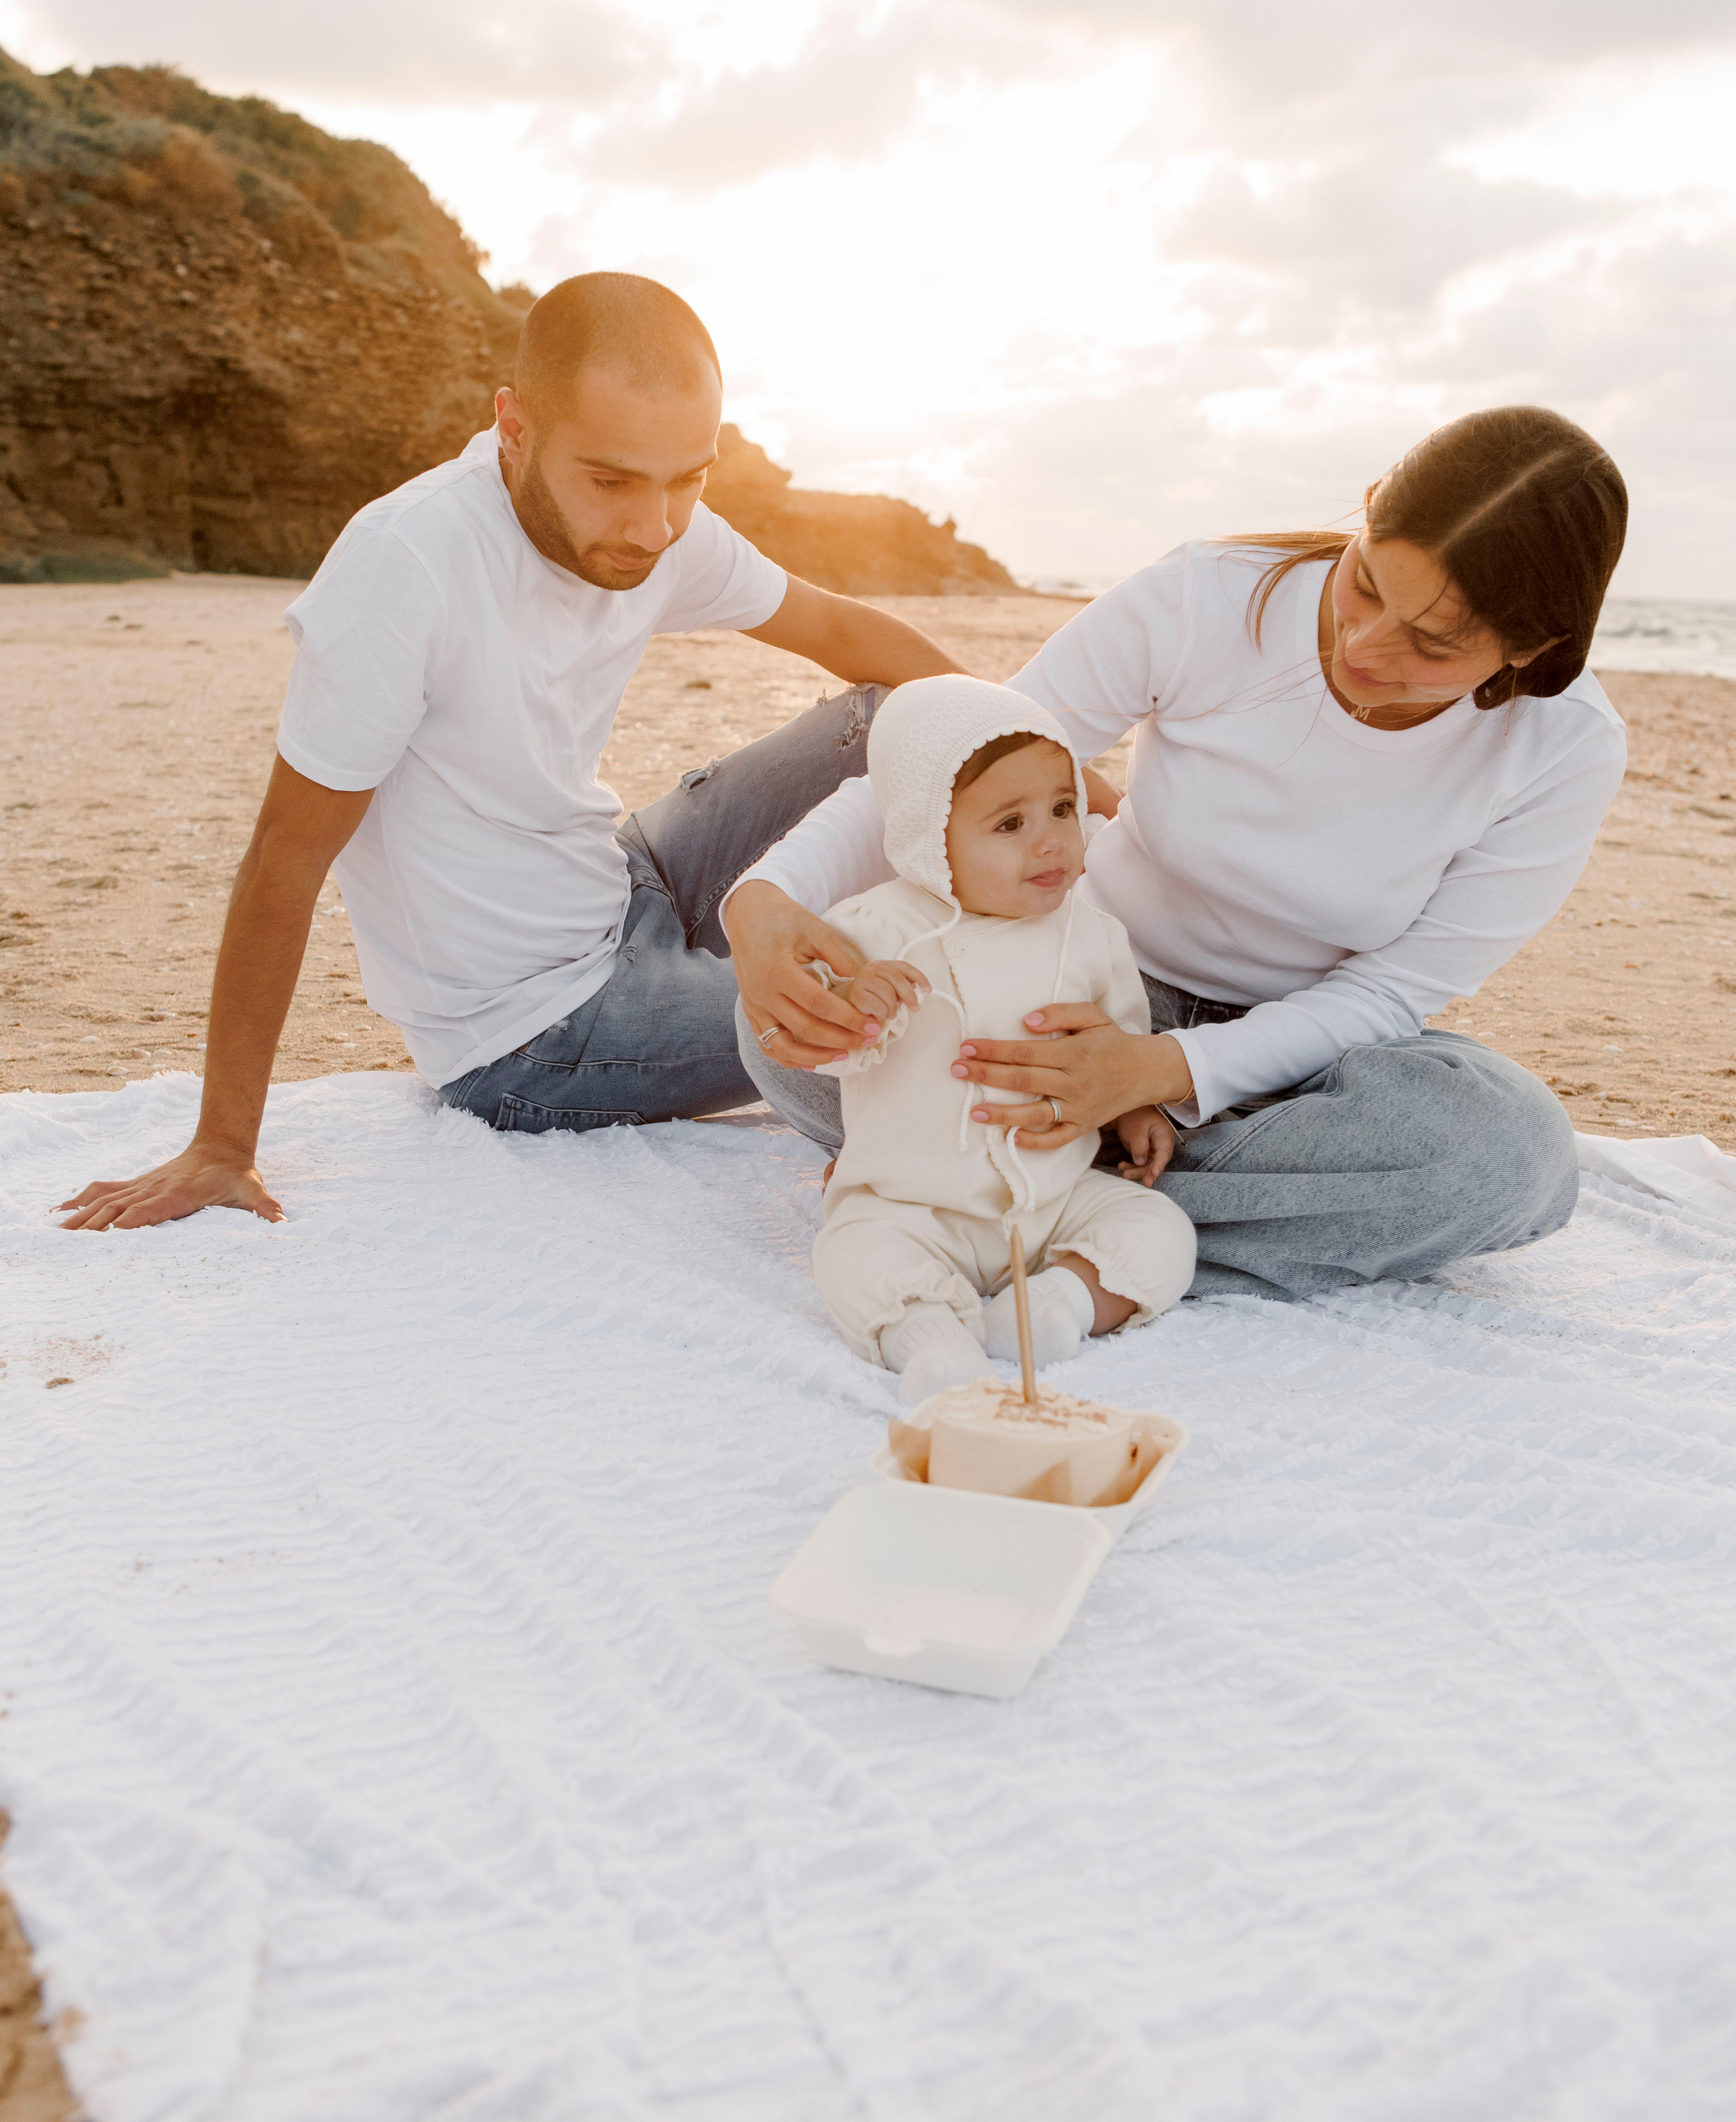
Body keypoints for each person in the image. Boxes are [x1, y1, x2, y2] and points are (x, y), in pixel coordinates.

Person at [59, 273, 962, 1232]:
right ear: (514, 428)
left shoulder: (659, 527)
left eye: (688, 481)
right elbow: (285, 859)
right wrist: (221, 1148)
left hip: (624, 881)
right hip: (532, 1036)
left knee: (906, 719)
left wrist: (1050, 757)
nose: (653, 528)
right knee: (910, 1018)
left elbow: (842, 628)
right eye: (611, 482)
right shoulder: (407, 565)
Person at [728, 406, 1630, 1301]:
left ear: (1532, 647)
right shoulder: (1208, 595)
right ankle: (1108, 1208)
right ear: (1367, 508)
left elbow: (1390, 995)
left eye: (1430, 643)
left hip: (1297, 1063)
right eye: (1364, 584)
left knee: (1511, 1163)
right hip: (1072, 988)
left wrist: (1157, 1076)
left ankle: (995, 1190)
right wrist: (766, 898)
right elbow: (959, 767)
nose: (1363, 645)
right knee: (787, 1042)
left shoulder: (1565, 747)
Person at [802, 675, 1196, 1399]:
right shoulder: (877, 929)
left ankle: (1058, 1306)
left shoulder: (1091, 934)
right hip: (911, 1203)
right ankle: (927, 1339)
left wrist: (1135, 1109)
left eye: (1063, 807)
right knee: (853, 1252)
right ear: (927, 841)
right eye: (1010, 825)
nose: (1051, 841)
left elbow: (1120, 1047)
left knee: (1161, 1230)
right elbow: (826, 1052)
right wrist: (855, 1008)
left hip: (1054, 1200)